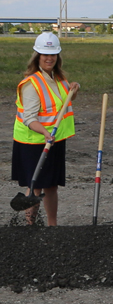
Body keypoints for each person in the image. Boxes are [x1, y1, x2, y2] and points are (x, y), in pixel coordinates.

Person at [12, 32, 80, 226]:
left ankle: (52, 226)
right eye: (45, 54)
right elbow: (29, 119)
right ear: (37, 56)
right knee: (35, 187)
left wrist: (74, 89)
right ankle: (30, 225)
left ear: (58, 56)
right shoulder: (31, 85)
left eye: (53, 54)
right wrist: (44, 133)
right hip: (33, 142)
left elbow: (65, 100)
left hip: (54, 140)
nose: (49, 58)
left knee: (51, 185)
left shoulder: (58, 79)